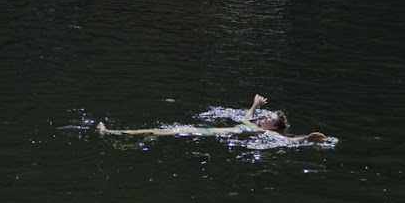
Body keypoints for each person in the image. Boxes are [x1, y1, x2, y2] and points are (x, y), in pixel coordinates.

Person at [96, 94, 327, 143]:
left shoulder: (266, 133)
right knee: (157, 131)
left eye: (269, 117)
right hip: (204, 131)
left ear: (273, 125)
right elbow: (246, 118)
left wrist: (306, 137)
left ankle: (112, 133)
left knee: (156, 131)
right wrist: (255, 104)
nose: (265, 117)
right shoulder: (253, 126)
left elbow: (287, 141)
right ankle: (123, 137)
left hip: (207, 134)